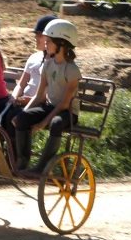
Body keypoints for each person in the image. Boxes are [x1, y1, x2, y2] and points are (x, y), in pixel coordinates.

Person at [12, 19, 82, 174]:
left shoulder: (72, 70)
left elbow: (64, 104)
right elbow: (38, 95)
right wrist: (22, 113)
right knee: (22, 119)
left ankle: (42, 167)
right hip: (50, 107)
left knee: (56, 123)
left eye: (49, 41)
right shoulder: (48, 65)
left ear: (61, 44)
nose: (45, 43)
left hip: (68, 112)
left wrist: (44, 122)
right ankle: (23, 162)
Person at [0, 14, 59, 149]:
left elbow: (53, 93)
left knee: (14, 116)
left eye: (40, 34)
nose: (36, 38)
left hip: (40, 104)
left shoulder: (56, 63)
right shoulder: (33, 58)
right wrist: (14, 97)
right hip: (25, 101)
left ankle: (15, 158)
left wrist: (29, 100)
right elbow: (21, 83)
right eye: (36, 34)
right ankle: (2, 153)